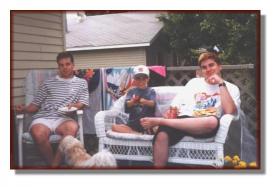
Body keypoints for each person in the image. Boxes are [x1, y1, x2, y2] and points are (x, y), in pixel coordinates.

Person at [140, 52, 241, 168]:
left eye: (211, 65)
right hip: (183, 120)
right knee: (162, 134)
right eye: (204, 67)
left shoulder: (231, 88)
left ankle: (159, 121)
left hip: (204, 125)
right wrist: (171, 113)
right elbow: (175, 106)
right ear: (201, 70)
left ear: (219, 66)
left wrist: (221, 84)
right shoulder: (194, 83)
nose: (208, 69)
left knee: (212, 121)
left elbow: (230, 112)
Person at [16, 51, 89, 167]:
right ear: (58, 66)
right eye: (61, 65)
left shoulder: (81, 83)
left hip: (65, 118)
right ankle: (55, 166)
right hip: (44, 117)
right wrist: (24, 108)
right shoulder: (48, 83)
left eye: (67, 64)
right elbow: (35, 105)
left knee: (71, 129)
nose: (64, 67)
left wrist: (75, 105)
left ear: (73, 65)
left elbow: (83, 103)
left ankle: (53, 166)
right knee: (38, 133)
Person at [112, 65, 156, 134]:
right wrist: (133, 101)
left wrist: (143, 101)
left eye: (144, 78)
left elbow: (153, 103)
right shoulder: (131, 91)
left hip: (146, 122)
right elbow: (127, 105)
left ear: (148, 79)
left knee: (157, 127)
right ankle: (137, 134)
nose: (141, 80)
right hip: (133, 124)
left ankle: (139, 133)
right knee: (114, 127)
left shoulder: (151, 91)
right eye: (138, 78)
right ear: (134, 79)